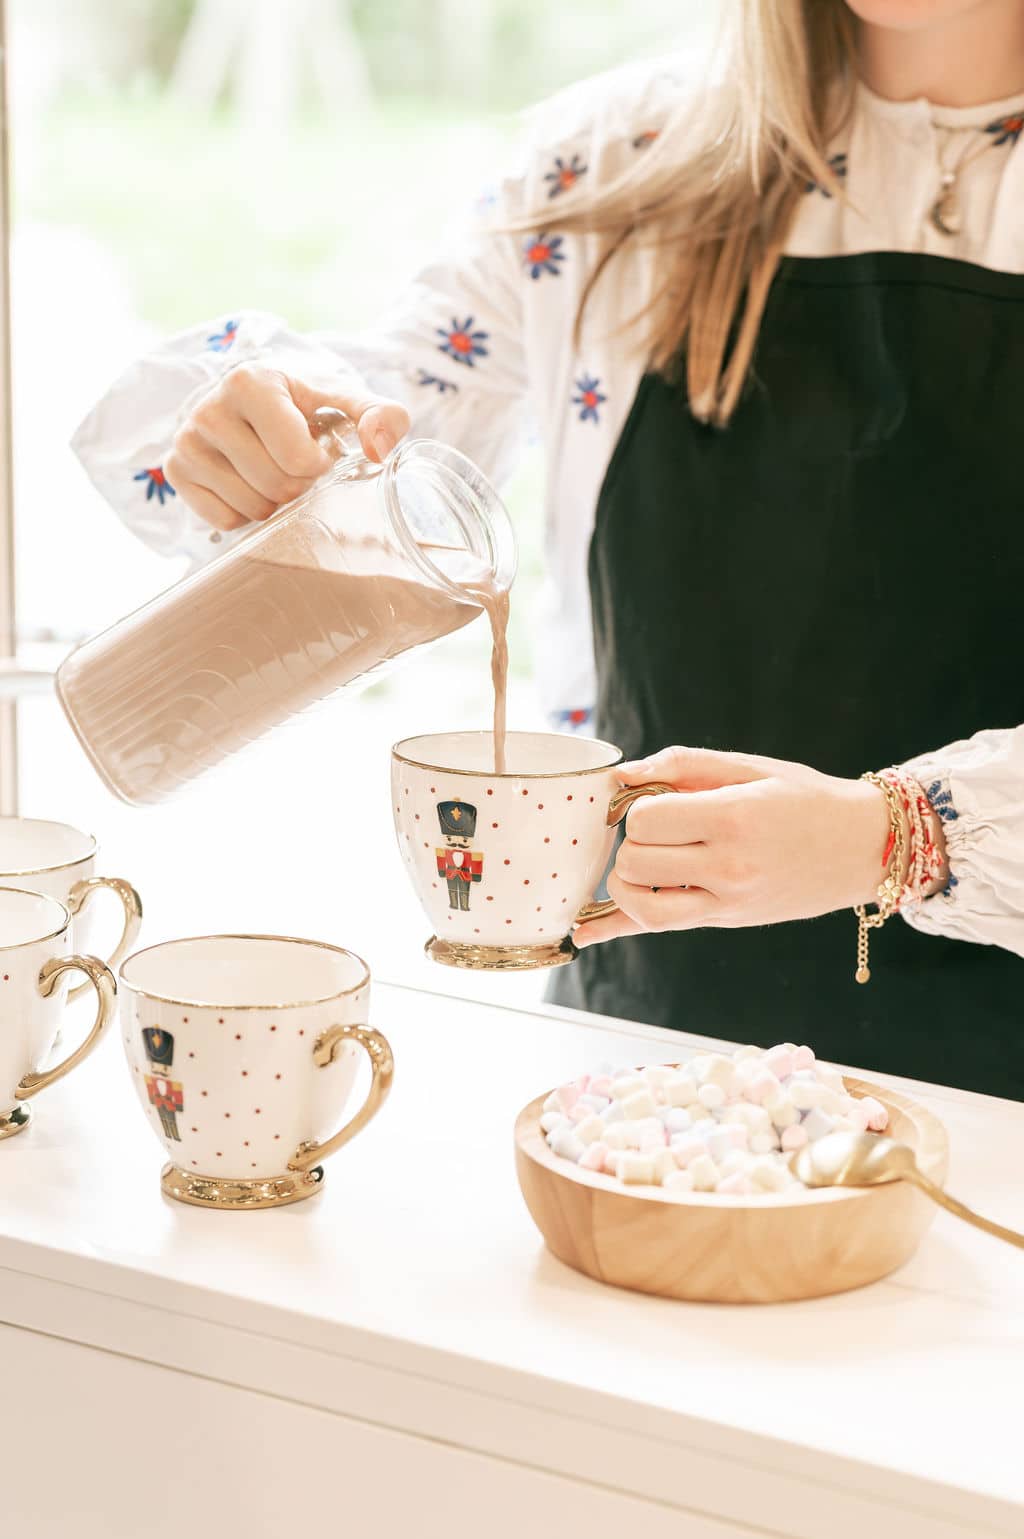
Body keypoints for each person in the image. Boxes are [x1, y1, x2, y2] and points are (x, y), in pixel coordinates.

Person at [74, 0, 1024, 1098]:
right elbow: (381, 434)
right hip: (649, 1074)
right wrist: (262, 442)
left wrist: (893, 836)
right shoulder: (618, 162)